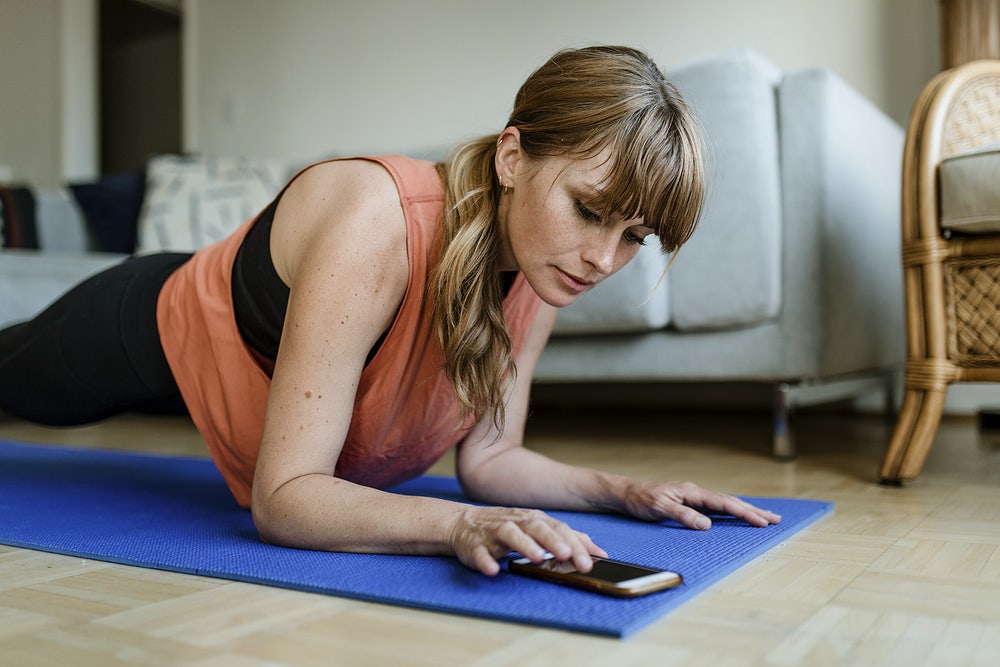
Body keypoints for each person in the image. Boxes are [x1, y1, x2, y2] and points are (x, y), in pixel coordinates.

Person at [0, 46, 780, 576]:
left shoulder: (543, 268)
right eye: (589, 210)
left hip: (238, 378)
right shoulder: (379, 221)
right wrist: (452, 527)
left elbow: (491, 458)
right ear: (513, 157)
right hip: (149, 324)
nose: (604, 260)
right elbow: (286, 498)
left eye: (634, 237)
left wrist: (628, 491)